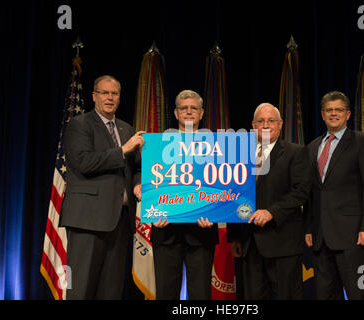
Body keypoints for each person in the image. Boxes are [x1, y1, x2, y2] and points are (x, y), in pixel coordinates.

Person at [60, 75, 144, 299]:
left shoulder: (126, 129)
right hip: (87, 220)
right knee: (79, 289)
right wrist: (123, 150)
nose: (110, 97)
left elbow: (137, 168)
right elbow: (84, 162)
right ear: (94, 96)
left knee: (111, 291)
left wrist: (137, 186)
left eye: (114, 93)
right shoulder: (80, 124)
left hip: (119, 221)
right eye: (105, 93)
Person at [228, 103, 311, 299]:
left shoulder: (295, 152)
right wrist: (235, 236)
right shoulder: (239, 155)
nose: (266, 125)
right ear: (253, 125)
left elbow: (301, 191)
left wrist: (272, 212)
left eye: (271, 121)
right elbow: (232, 195)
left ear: (280, 124)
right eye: (261, 121)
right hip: (249, 243)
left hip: (282, 242)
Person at [304, 91, 364, 300]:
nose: (333, 114)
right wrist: (309, 228)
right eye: (329, 110)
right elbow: (311, 192)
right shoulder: (312, 147)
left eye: (338, 110)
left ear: (348, 114)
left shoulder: (362, 142)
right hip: (321, 239)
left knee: (360, 293)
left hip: (354, 238)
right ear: (322, 114)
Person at [150, 89, 219, 300]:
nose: (189, 112)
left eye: (194, 108)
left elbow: (225, 187)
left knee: (200, 295)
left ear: (201, 113)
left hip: (202, 231)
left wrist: (215, 215)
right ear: (176, 113)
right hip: (166, 230)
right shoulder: (157, 144)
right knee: (166, 292)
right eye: (184, 108)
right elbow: (145, 179)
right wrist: (153, 213)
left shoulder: (217, 146)